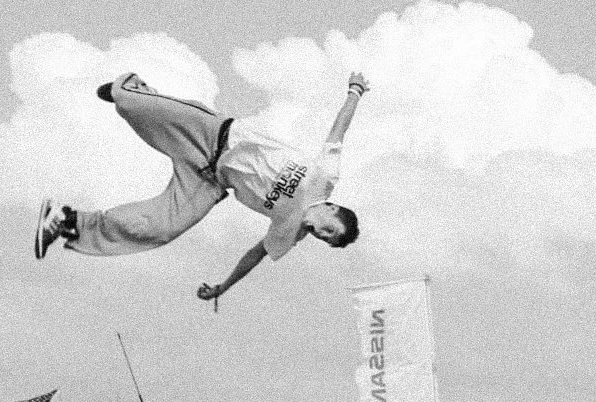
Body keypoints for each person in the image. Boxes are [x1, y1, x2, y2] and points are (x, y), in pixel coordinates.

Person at [34, 71, 369, 303]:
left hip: (208, 180)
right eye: (329, 230)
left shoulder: (290, 231)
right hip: (212, 133)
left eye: (325, 240)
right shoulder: (323, 178)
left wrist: (224, 287)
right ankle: (135, 88)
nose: (320, 235)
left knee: (160, 228)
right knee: (125, 100)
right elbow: (338, 132)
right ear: (332, 209)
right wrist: (354, 91)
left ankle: (67, 221)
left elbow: (254, 255)